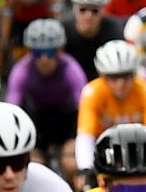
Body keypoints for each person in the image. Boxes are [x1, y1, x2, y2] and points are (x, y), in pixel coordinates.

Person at [5, 18, 87, 175]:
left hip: (67, 121)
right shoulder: (21, 71)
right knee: (35, 168)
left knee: (71, 164)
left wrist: (76, 141)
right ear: (29, 52)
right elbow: (12, 110)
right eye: (38, 53)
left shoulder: (71, 69)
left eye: (50, 52)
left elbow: (84, 106)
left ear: (60, 51)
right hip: (36, 123)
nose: (44, 59)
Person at [75, 40, 146, 174]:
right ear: (103, 76)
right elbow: (85, 136)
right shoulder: (91, 92)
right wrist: (85, 169)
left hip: (138, 150)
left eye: (126, 76)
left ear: (134, 74)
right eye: (114, 77)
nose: (120, 83)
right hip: (102, 148)